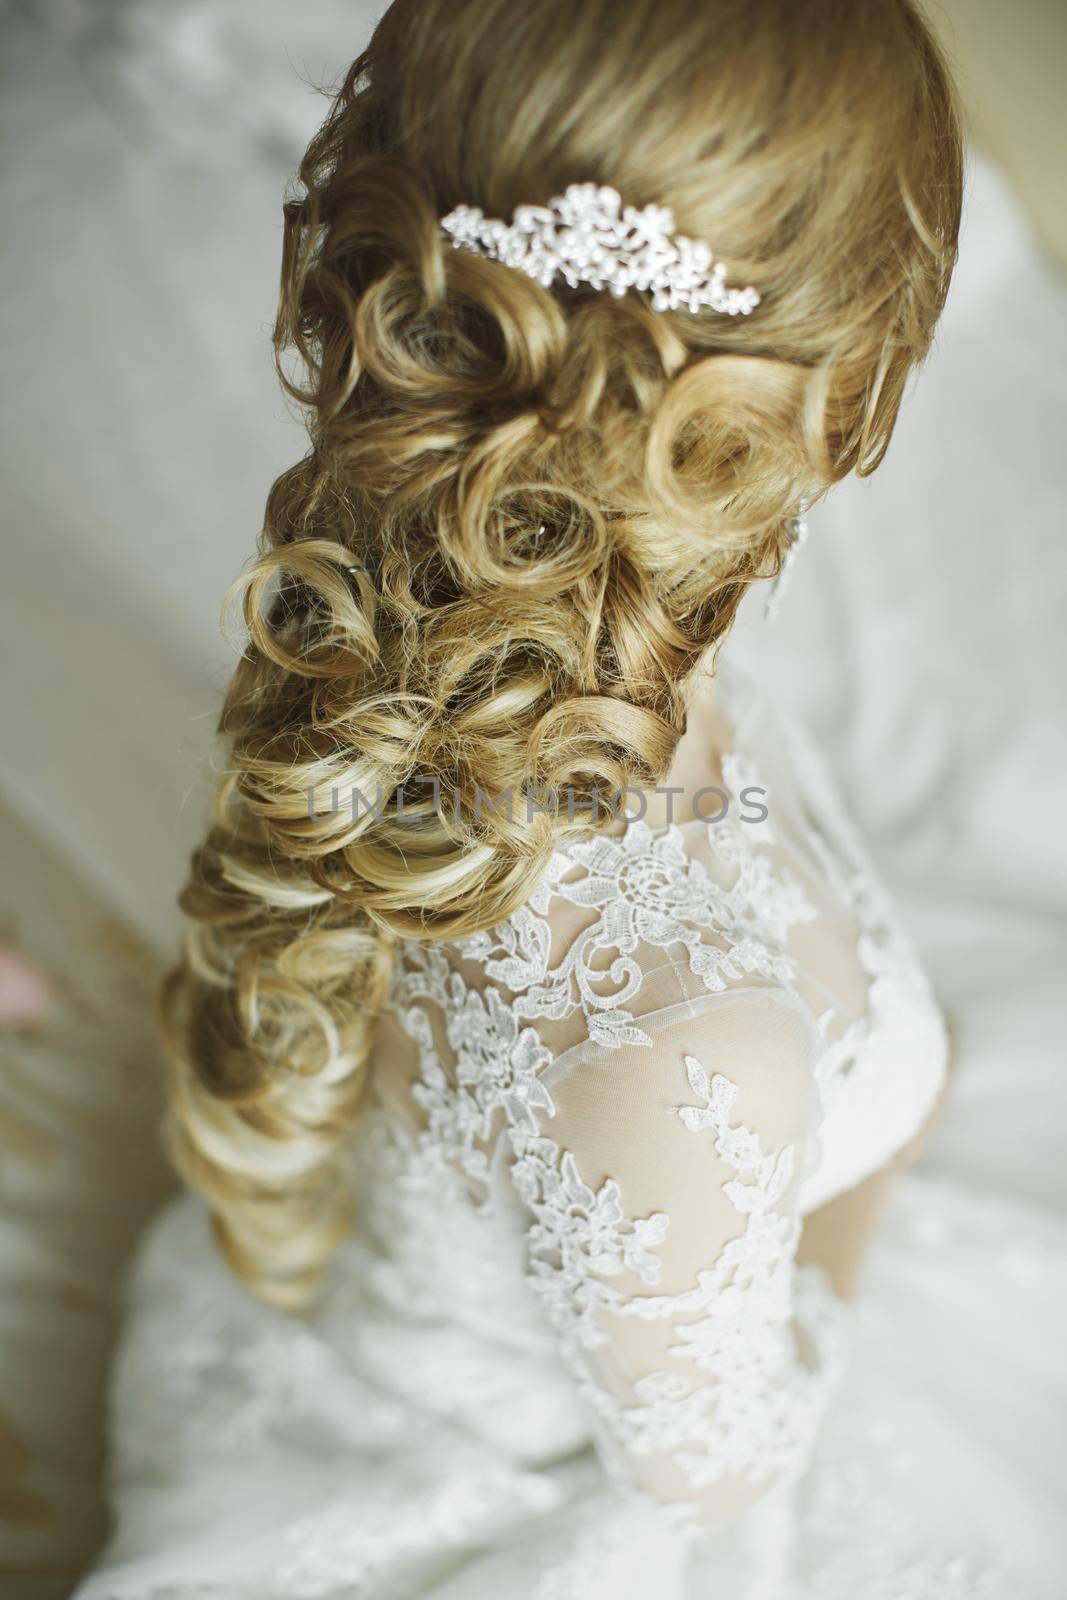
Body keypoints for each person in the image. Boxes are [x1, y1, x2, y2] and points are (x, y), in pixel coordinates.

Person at [72, 3, 1064, 1595]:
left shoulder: (499, 611)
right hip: (550, 1454)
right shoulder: (672, 1044)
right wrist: (862, 1171)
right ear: (835, 396)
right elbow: (712, 1463)